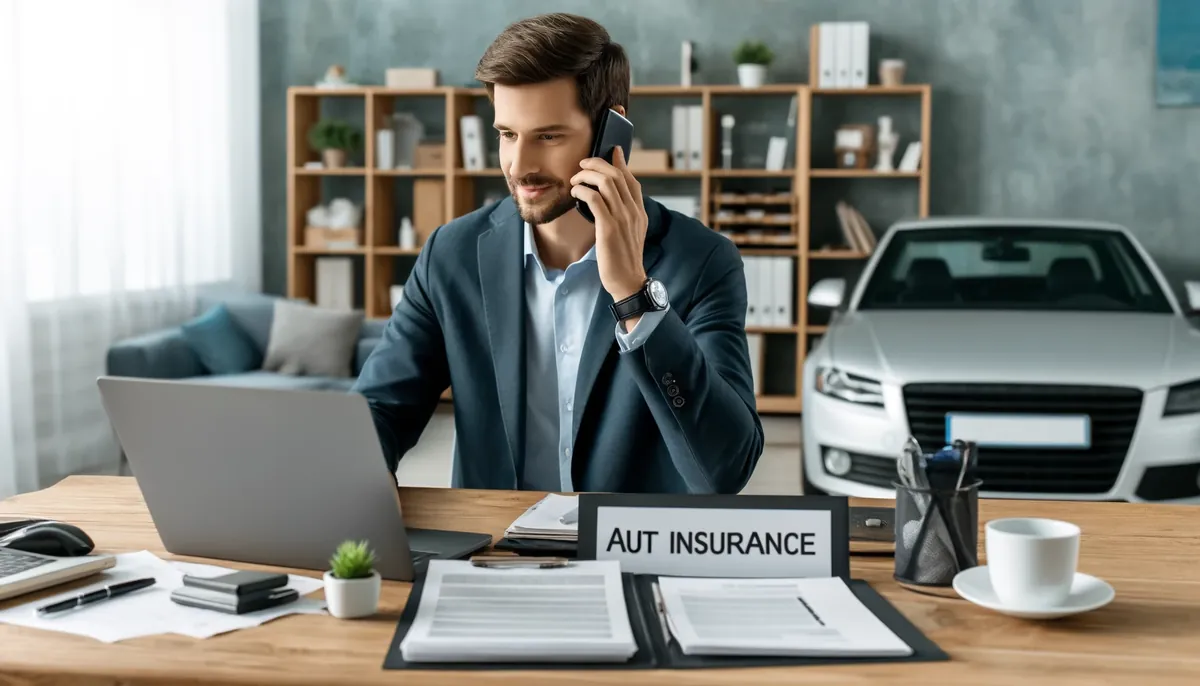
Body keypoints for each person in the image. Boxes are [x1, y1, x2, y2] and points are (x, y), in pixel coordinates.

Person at [352, 12, 763, 494]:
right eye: (507, 134)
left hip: (628, 554)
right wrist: (353, 483)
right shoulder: (452, 254)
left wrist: (633, 294)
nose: (519, 166)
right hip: (493, 558)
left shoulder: (701, 262)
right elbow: (380, 410)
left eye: (547, 136)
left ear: (613, 129)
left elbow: (723, 472)